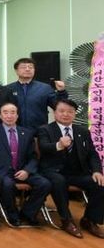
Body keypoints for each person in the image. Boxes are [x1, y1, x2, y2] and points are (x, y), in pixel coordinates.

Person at [0, 103, 51, 226]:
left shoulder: (27, 133)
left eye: (12, 112)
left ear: (17, 115)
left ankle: (28, 213)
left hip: (23, 170)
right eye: (5, 112)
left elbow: (33, 157)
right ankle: (12, 215)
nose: (9, 116)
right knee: (7, 185)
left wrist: (27, 170)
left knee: (45, 184)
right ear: (0, 116)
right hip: (2, 171)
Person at [37, 99, 104, 238]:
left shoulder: (82, 131)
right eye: (62, 111)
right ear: (55, 113)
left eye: (70, 112)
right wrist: (59, 145)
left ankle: (90, 220)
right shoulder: (45, 129)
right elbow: (43, 147)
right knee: (59, 181)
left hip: (77, 172)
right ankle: (66, 220)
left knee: (99, 183)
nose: (65, 114)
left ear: (74, 114)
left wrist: (97, 171)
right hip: (53, 171)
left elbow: (92, 153)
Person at [6, 57, 67, 130]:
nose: (27, 69)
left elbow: (58, 106)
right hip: (15, 130)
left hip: (39, 130)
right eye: (23, 67)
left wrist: (61, 92)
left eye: (30, 67)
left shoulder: (45, 88)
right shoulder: (8, 89)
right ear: (16, 71)